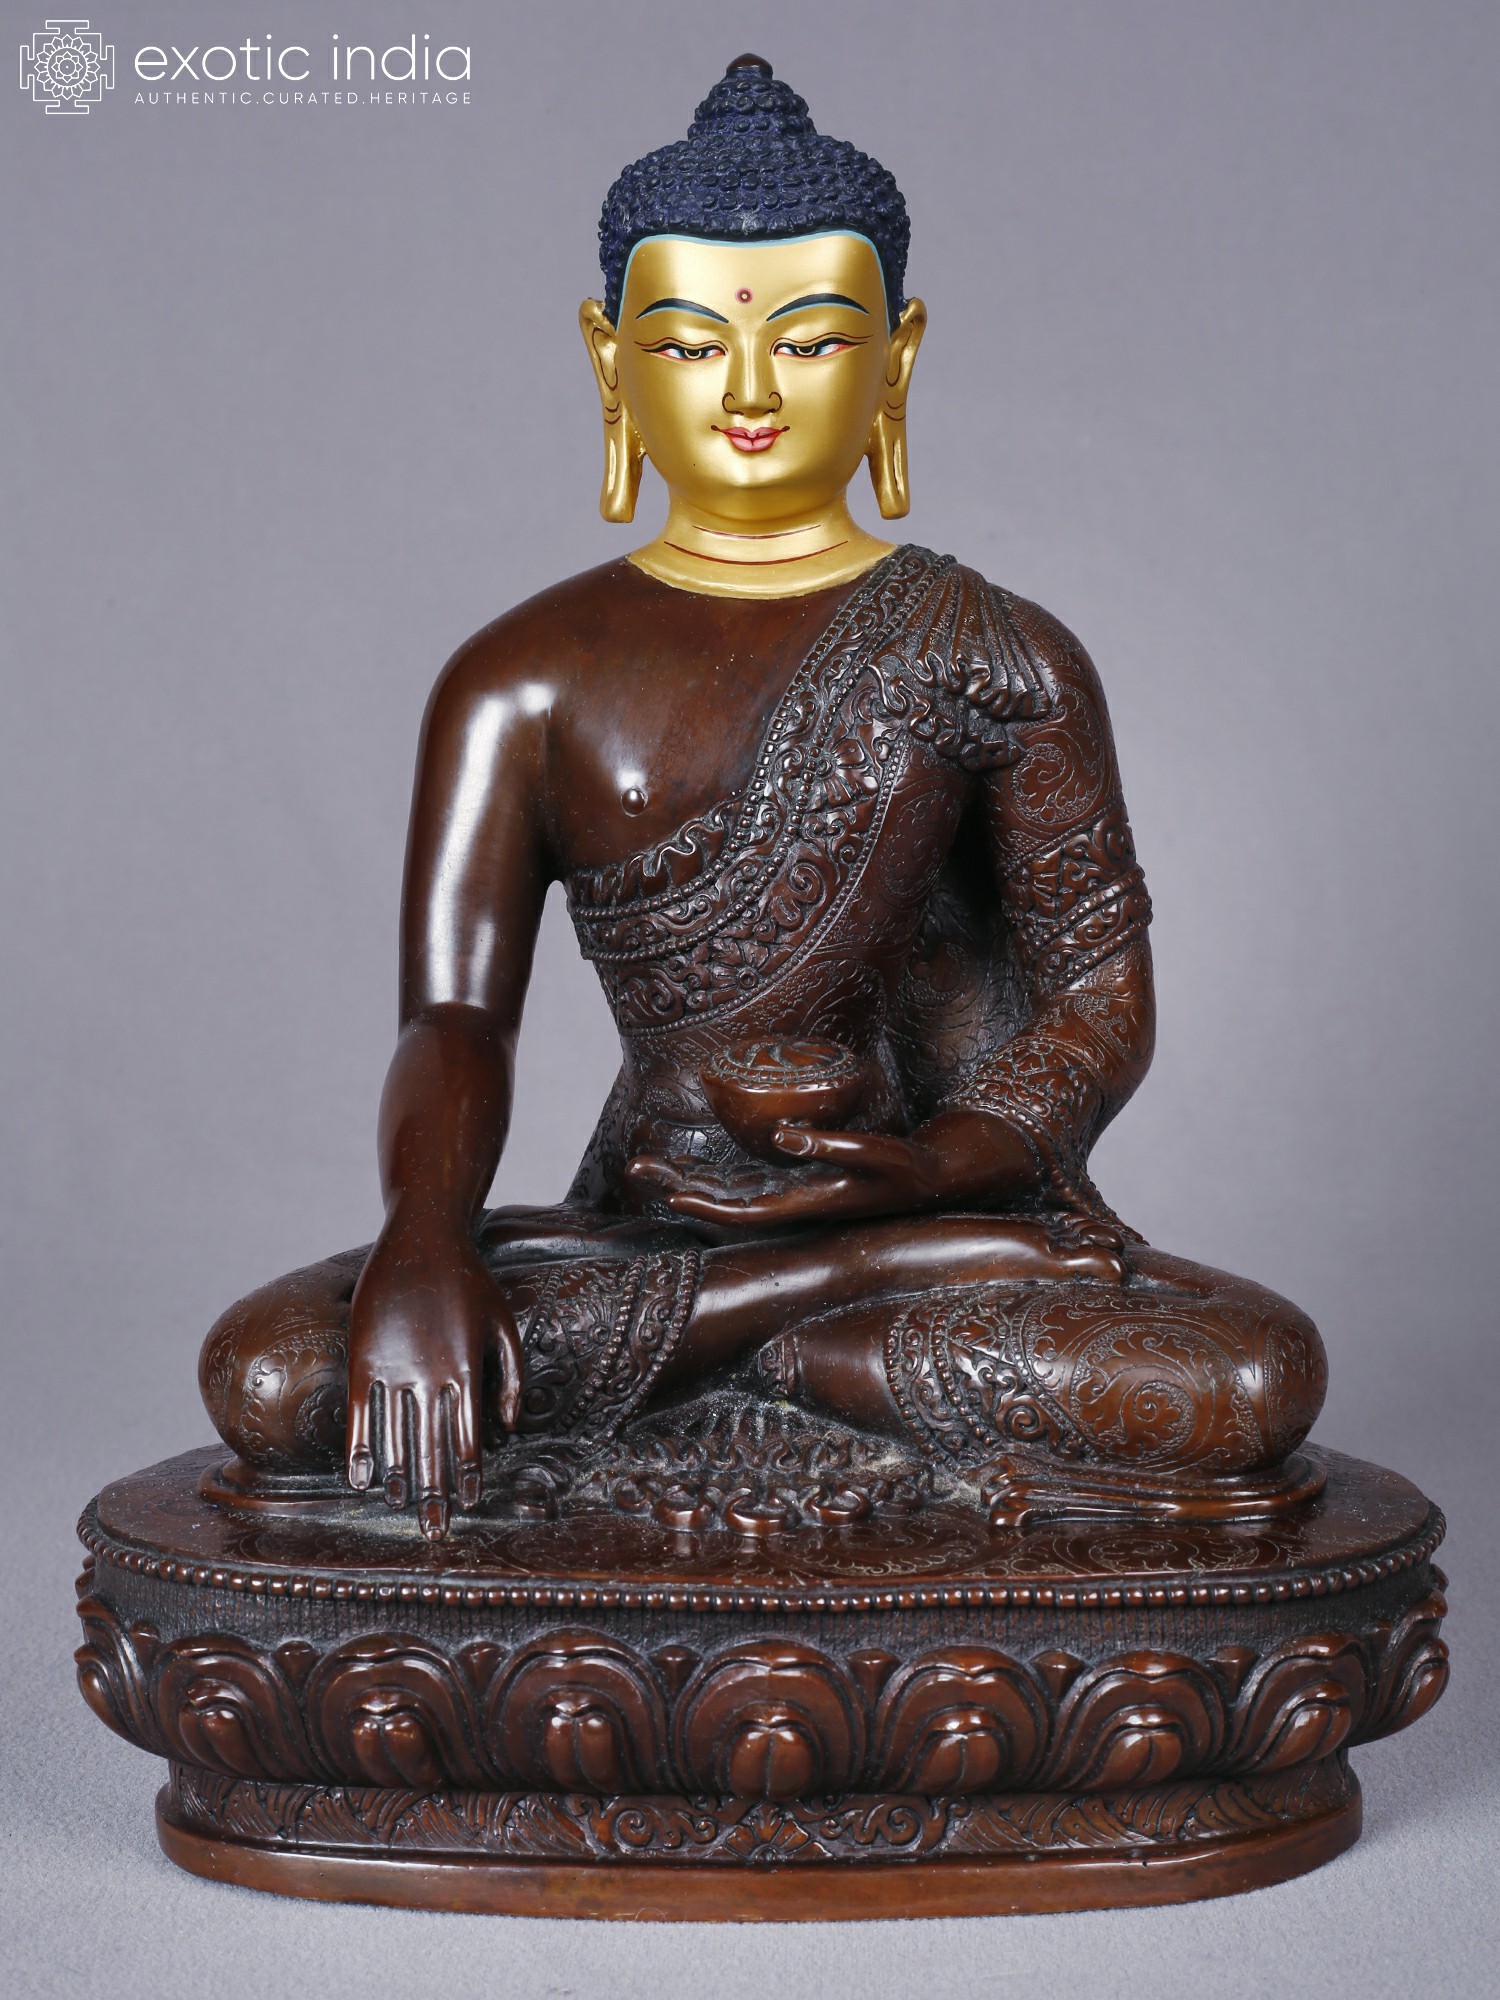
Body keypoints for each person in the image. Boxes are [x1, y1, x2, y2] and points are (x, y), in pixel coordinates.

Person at [201, 57, 1326, 1541]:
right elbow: (455, 1019)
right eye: (687, 344)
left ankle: (800, 1306)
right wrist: (422, 1242)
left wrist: (933, 1169)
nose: (747, 392)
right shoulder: (518, 679)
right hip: (644, 1228)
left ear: (896, 359)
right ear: (610, 361)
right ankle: (813, 1309)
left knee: (1247, 1376)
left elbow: (1099, 1006)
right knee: (275, 1374)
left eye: (809, 341)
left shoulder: (996, 652)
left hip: (934, 1210)